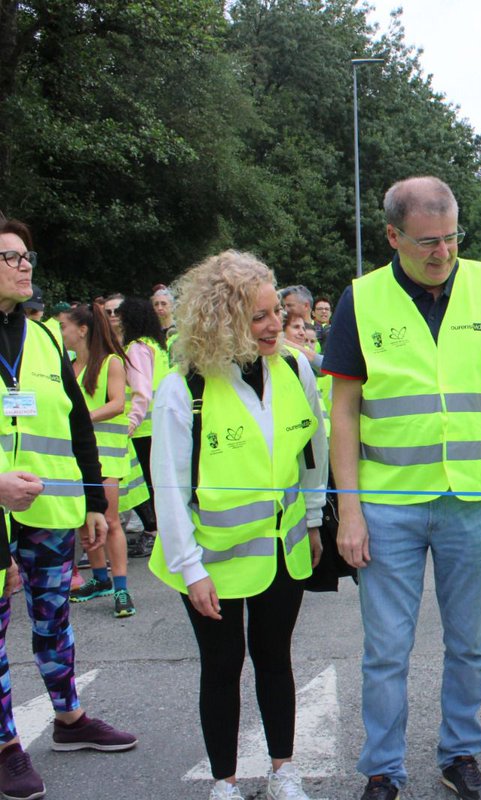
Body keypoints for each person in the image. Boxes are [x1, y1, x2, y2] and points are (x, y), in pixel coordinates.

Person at [323, 176, 481, 800]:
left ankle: (460, 756)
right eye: (426, 242)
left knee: (468, 643)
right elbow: (343, 410)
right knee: (386, 650)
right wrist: (350, 512)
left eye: (450, 239)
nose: (442, 253)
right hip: (389, 503)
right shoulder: (359, 300)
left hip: (471, 500)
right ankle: (383, 771)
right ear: (393, 236)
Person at [148, 251, 329, 800]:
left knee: (276, 660)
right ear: (222, 321)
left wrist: (316, 522)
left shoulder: (296, 368)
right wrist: (189, 569)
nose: (276, 324)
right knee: (223, 666)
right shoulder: (185, 390)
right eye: (259, 317)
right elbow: (170, 493)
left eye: (278, 311)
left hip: (284, 552)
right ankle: (224, 782)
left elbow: (312, 456)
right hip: (211, 562)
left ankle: (283, 771)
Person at [0, 220, 137, 799]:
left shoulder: (43, 338)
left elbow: (77, 423)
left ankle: (68, 719)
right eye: (9, 257)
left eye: (26, 254)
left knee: (54, 619)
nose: (24, 264)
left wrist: (90, 503)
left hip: (51, 512)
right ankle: (6, 746)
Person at [60, 303, 137, 617]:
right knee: (84, 519)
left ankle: (121, 589)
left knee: (111, 521)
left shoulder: (111, 363)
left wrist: (81, 419)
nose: (59, 332)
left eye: (63, 326)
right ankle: (100, 579)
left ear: (82, 330)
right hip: (74, 455)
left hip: (105, 454)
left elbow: (118, 404)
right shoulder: (66, 365)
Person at [117, 297, 170, 559]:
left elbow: (141, 391)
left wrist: (131, 422)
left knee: (141, 485)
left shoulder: (136, 348)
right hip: (157, 426)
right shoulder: (156, 346)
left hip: (141, 428)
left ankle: (153, 532)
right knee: (154, 483)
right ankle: (159, 531)